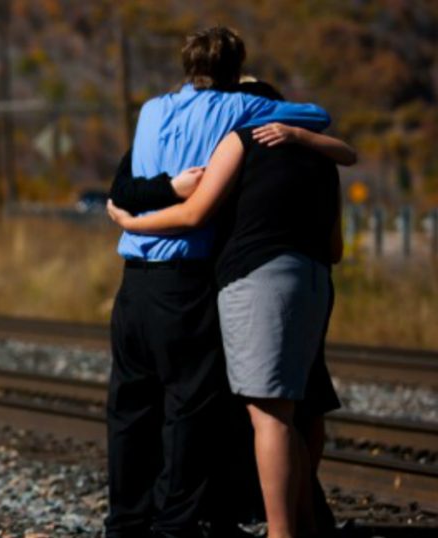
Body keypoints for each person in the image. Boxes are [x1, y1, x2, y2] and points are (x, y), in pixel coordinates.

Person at [104, 27, 334, 538]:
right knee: (187, 409)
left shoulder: (150, 111)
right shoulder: (241, 112)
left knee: (129, 410)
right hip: (186, 281)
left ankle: (124, 524)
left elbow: (123, 185)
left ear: (187, 66)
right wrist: (297, 132)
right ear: (237, 68)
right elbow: (317, 115)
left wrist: (150, 200)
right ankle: (176, 527)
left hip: (132, 283)